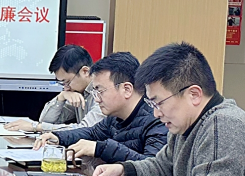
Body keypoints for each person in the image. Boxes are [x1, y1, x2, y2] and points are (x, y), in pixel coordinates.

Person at [88, 42, 245, 176]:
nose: (156, 113)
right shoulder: (185, 124)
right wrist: (126, 171)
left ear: (193, 94)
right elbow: (163, 167)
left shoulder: (225, 124)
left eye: (159, 103)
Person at [32, 52, 167, 164]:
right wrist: (58, 137)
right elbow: (91, 133)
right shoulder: (114, 118)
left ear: (126, 89)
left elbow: (152, 168)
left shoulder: (157, 120)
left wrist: (100, 148)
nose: (96, 99)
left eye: (100, 91)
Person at [5, 44, 102, 133]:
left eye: (67, 82)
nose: (66, 88)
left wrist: (35, 127)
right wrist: (61, 97)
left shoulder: (101, 92)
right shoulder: (77, 92)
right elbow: (46, 121)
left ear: (85, 71)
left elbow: (85, 129)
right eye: (62, 83)